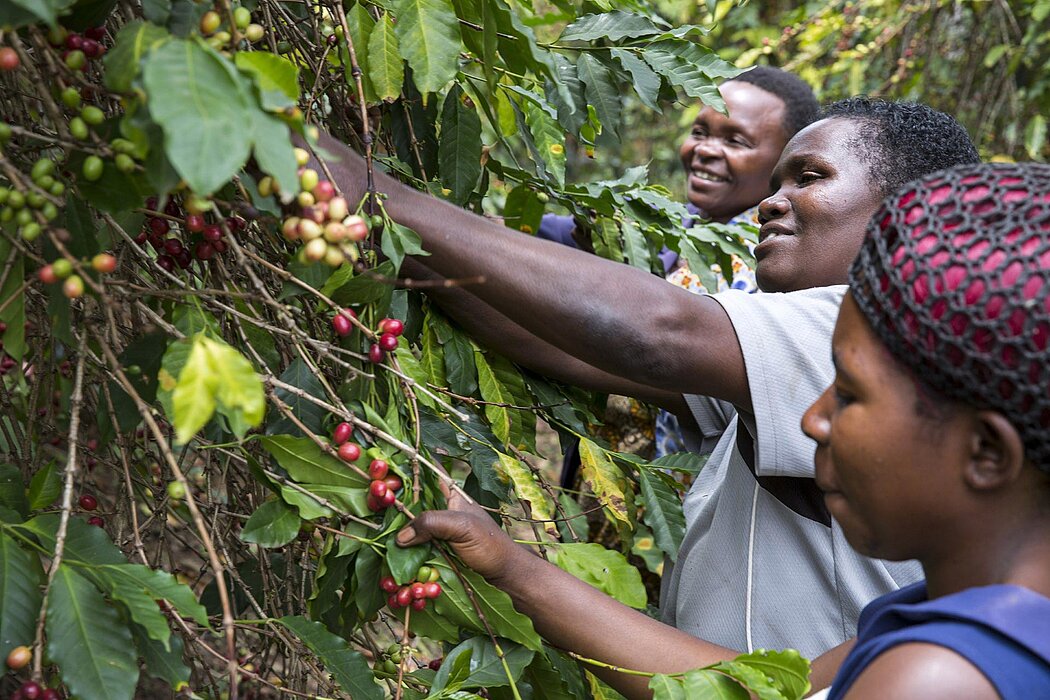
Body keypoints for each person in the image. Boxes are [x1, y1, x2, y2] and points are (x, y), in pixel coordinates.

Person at [314, 98, 979, 670]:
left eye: (810, 177)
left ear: (907, 212)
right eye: (776, 182)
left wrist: (373, 192)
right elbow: (564, 348)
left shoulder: (876, 330)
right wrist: (403, 253)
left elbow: (660, 332)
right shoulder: (789, 357)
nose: (771, 202)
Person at [402, 162, 1050, 699]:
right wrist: (511, 568)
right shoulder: (929, 618)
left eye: (849, 395)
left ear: (987, 453)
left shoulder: (939, 677)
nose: (813, 418)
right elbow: (742, 692)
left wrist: (387, 201)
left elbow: (656, 330)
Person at [536, 66, 819, 476]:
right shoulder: (676, 227)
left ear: (784, 164)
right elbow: (560, 238)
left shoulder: (772, 263)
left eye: (735, 140)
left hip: (692, 492)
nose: (704, 149)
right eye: (701, 132)